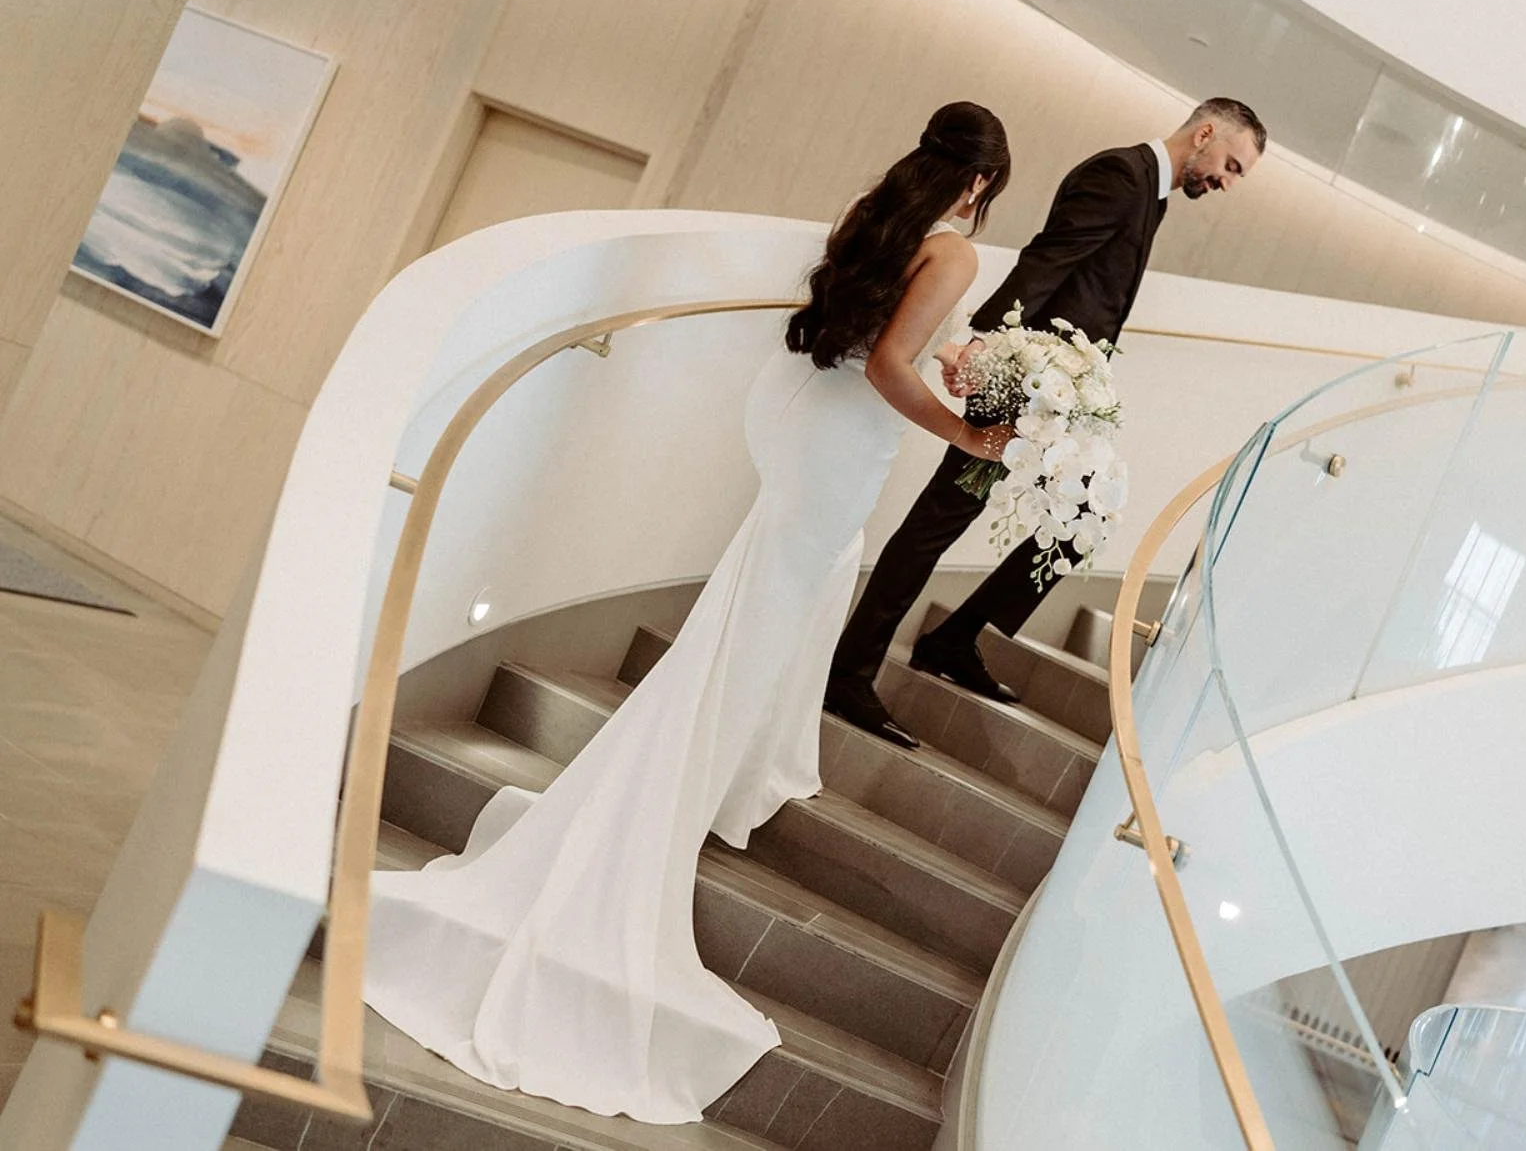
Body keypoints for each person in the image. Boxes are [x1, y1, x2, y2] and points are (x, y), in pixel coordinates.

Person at [363, 102, 1014, 1122]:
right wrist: (964, 435)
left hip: (790, 407)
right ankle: (678, 781)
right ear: (981, 184)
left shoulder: (873, 210)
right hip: (843, 435)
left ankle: (704, 762)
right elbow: (891, 363)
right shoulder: (954, 251)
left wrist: (950, 364)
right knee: (769, 617)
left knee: (758, 606)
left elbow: (868, 333)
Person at [823, 98, 1267, 746]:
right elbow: (1046, 260)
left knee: (1086, 514)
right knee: (937, 523)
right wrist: (980, 342)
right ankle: (852, 670)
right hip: (1020, 373)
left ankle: (954, 637)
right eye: (1230, 164)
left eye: (1237, 176)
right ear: (1203, 133)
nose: (1227, 181)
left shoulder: (1154, 193)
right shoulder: (1119, 175)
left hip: (1063, 389)